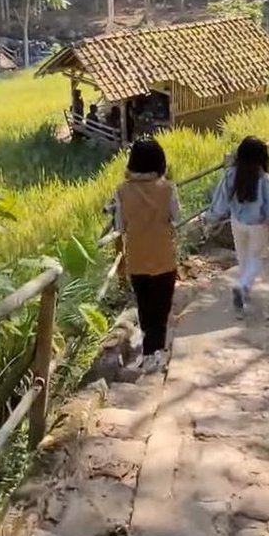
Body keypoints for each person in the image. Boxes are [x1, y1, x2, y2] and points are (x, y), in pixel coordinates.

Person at [114, 138, 180, 373]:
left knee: (145, 308)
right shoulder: (168, 188)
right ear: (159, 161)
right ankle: (155, 354)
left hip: (137, 259)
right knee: (161, 311)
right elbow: (177, 217)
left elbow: (120, 226)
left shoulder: (122, 191)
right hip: (164, 257)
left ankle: (149, 352)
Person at [204, 136, 269, 312]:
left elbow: (220, 199)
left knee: (243, 256)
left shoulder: (230, 174)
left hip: (237, 222)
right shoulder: (264, 178)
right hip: (258, 225)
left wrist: (211, 217)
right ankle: (243, 286)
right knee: (255, 258)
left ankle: (243, 288)